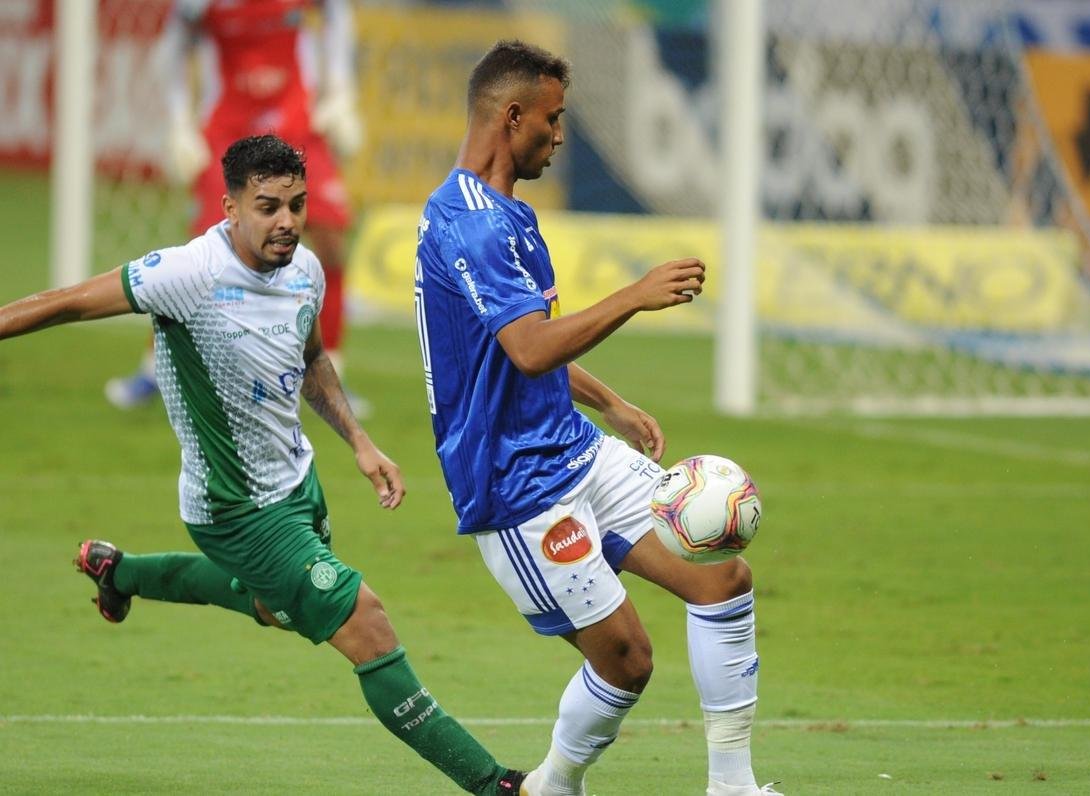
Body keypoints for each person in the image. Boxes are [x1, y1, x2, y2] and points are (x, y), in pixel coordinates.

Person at [1, 135, 524, 795]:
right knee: (365, 622)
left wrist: (359, 444)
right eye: (268, 206)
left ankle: (119, 572)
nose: (286, 221)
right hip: (235, 510)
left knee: (276, 610)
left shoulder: (306, 268)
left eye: (297, 205)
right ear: (230, 208)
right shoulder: (185, 274)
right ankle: (495, 784)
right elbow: (69, 301)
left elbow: (311, 360)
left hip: (297, 487)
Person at [414, 40, 778, 796]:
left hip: (577, 451)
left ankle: (733, 787)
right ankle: (555, 784)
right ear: (512, 117)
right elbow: (525, 348)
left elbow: (520, 347)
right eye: (553, 119)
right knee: (627, 660)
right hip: (516, 488)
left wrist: (610, 403)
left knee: (721, 578)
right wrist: (632, 295)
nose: (558, 133)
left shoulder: (505, 214)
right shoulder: (470, 225)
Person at [106, 0, 369, 417]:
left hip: (295, 122)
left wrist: (340, 92)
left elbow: (338, 14)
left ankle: (327, 372)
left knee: (332, 242)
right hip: (228, 128)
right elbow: (176, 45)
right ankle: (155, 368)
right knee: (201, 257)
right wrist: (178, 122)